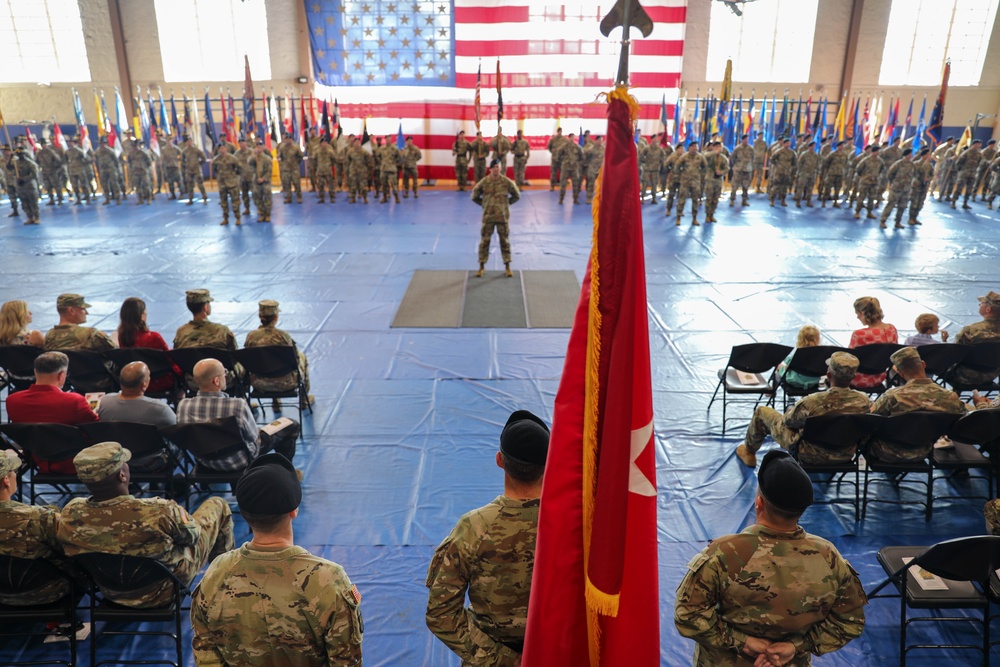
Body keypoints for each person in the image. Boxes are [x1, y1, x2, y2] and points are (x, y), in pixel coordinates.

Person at [675, 450, 867, 667]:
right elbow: (850, 622)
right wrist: (796, 647)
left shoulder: (724, 553)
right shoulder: (829, 557)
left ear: (758, 502)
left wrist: (742, 642)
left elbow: (688, 615)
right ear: (801, 510)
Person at [191, 453, 364, 666]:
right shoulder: (328, 580)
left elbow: (207, 654)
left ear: (244, 515)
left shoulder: (216, 573)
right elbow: (346, 661)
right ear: (294, 511)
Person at [426, 410, 549, 666]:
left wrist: (502, 659)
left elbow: (440, 614)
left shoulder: (473, 528)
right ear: (549, 465)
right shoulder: (574, 527)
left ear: (499, 460)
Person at [57, 442, 233, 608]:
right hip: (166, 589)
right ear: (122, 475)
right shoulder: (158, 510)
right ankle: (228, 581)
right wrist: (178, 515)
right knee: (218, 504)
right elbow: (192, 537)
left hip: (111, 592)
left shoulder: (70, 514)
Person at [736, 352, 871, 467]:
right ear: (853, 377)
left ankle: (749, 452)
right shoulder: (863, 401)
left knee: (762, 412)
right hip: (844, 454)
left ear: (828, 374)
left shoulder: (812, 402)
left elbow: (788, 422)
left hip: (809, 453)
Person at [176, 358, 299, 471]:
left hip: (205, 461)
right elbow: (254, 438)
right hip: (239, 461)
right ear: (216, 381)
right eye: (224, 372)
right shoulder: (237, 405)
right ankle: (287, 472)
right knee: (290, 424)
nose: (226, 374)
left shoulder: (183, 406)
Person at [0, 449, 75, 605]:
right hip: (44, 593)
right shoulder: (40, 518)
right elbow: (69, 550)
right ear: (6, 479)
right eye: (13, 471)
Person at [867, 347, 967, 463]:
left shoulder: (892, 396)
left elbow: (872, 421)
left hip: (886, 452)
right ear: (923, 364)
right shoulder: (950, 397)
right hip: (923, 452)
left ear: (899, 373)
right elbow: (962, 419)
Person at [6, 351, 98, 473]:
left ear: (35, 372)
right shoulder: (74, 401)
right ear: (62, 375)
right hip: (77, 461)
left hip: (37, 459)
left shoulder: (12, 401)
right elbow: (96, 429)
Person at [244, 299, 314, 409]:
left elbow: (248, 361)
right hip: (286, 383)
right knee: (302, 357)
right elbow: (294, 359)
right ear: (276, 317)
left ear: (260, 316)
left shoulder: (251, 337)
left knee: (267, 363)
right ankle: (304, 401)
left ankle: (275, 401)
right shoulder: (283, 336)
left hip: (259, 383)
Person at [116, 296, 180, 394]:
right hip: (158, 381)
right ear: (142, 316)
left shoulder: (122, 338)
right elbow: (169, 359)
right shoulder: (154, 337)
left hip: (133, 382)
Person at [472, 158, 520, 278]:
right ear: (490, 169)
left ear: (500, 168)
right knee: (485, 241)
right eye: (493, 167)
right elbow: (474, 196)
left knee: (505, 241)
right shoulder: (484, 182)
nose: (496, 169)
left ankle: (507, 266)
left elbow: (516, 195)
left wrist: (506, 204)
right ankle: (481, 266)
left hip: (502, 217)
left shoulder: (506, 182)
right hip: (488, 216)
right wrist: (484, 205)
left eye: (497, 167)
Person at [951, 290, 1000, 387]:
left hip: (964, 376)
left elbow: (955, 353)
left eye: (982, 303)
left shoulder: (971, 330)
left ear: (988, 309)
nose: (979, 305)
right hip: (992, 375)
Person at [848, 296, 897, 390]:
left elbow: (850, 357)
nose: (857, 316)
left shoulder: (859, 334)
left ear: (864, 313)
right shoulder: (892, 329)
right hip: (880, 377)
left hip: (857, 379)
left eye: (858, 313)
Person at [44, 293, 116, 352]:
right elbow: (116, 353)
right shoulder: (91, 334)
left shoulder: (49, 337)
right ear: (71, 310)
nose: (86, 312)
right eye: (83, 309)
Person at [776, 325, 823, 391]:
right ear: (818, 339)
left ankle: (771, 392)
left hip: (795, 381)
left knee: (779, 365)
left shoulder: (798, 355)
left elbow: (787, 367)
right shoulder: (821, 355)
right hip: (813, 382)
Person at [674, 141, 706, 226]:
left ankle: (694, 218)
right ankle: (678, 217)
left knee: (695, 201)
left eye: (696, 147)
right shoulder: (684, 156)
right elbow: (677, 165)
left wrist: (700, 175)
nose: (694, 148)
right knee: (681, 200)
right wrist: (681, 174)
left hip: (695, 182)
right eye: (693, 147)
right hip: (685, 182)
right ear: (690, 147)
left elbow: (705, 167)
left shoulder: (700, 157)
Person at [213, 142, 243, 226]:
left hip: (232, 183)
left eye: (223, 148)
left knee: (235, 202)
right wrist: (219, 178)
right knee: (223, 202)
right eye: (220, 149)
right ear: (218, 150)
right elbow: (214, 169)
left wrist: (235, 176)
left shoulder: (232, 158)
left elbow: (239, 167)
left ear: (225, 149)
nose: (222, 150)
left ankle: (238, 218)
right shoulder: (216, 160)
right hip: (222, 184)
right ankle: (225, 218)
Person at [556, 133, 583, 205]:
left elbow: (581, 157)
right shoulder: (564, 147)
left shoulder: (577, 147)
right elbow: (558, 155)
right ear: (568, 138)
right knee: (563, 184)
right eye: (571, 137)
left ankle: (575, 199)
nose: (572, 139)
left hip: (574, 168)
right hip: (565, 168)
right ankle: (561, 199)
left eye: (573, 137)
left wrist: (576, 162)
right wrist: (564, 161)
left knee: (576, 184)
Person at [181, 135, 208, 205]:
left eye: (190, 141)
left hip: (196, 169)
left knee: (200, 184)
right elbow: (182, 160)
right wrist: (185, 166)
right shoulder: (184, 151)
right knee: (190, 185)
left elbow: (204, 158)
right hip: (189, 170)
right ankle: (190, 199)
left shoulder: (196, 150)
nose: (189, 143)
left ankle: (204, 198)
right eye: (187, 142)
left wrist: (199, 164)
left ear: (192, 142)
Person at [278, 133, 304, 204]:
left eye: (289, 139)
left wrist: (296, 163)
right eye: (287, 139)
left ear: (291, 139)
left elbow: (300, 156)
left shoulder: (296, 147)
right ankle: (288, 197)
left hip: (294, 169)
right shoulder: (282, 147)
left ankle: (299, 197)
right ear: (285, 139)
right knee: (287, 184)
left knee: (297, 184)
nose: (288, 140)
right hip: (286, 169)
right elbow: (280, 157)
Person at [729, 134, 753, 207]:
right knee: (735, 186)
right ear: (742, 140)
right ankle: (732, 200)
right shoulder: (737, 148)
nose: (746, 141)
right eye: (745, 139)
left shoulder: (751, 149)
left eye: (747, 139)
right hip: (738, 170)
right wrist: (736, 166)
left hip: (747, 170)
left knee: (745, 186)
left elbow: (752, 158)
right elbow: (732, 158)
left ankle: (744, 200)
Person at [252, 140, 273, 222]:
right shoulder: (254, 158)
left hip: (265, 182)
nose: (259, 148)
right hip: (256, 181)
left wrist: (263, 178)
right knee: (258, 198)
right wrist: (254, 154)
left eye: (260, 147)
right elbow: (249, 162)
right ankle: (262, 214)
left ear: (263, 148)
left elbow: (269, 171)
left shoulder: (267, 159)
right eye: (257, 147)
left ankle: (267, 215)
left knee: (267, 198)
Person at [378, 135, 402, 204]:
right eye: (387, 138)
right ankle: (384, 197)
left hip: (392, 169)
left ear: (391, 139)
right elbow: (378, 156)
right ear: (385, 139)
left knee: (394, 184)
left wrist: (395, 163)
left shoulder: (394, 148)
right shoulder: (382, 148)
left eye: (389, 138)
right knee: (384, 184)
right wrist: (382, 163)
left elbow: (399, 157)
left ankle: (396, 197)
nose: (388, 139)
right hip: (384, 169)